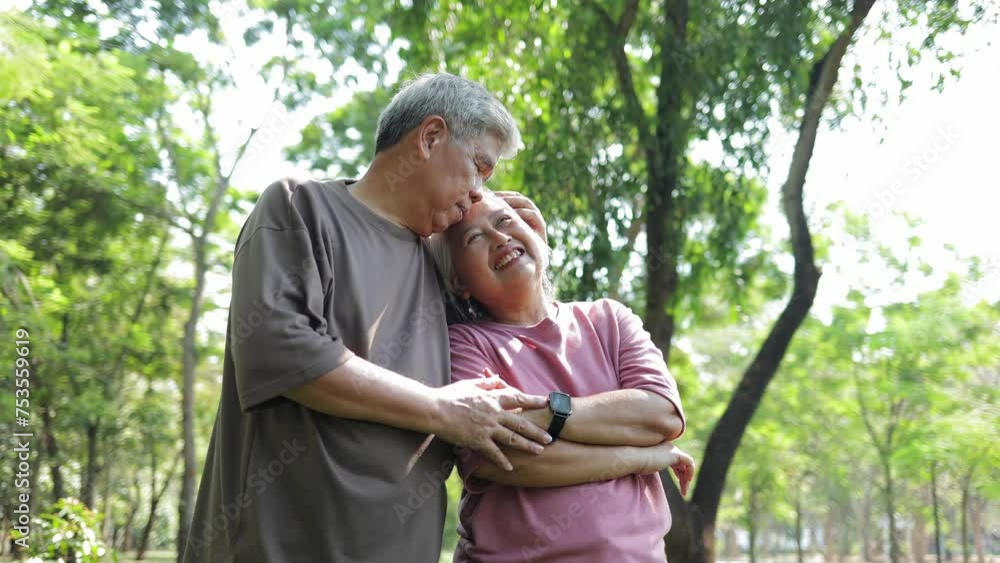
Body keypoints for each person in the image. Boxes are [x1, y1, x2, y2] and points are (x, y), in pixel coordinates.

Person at [182, 73, 557, 563]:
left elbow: (524, 354)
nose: (481, 192)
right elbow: (279, 348)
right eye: (478, 168)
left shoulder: (440, 272)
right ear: (430, 137)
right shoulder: (300, 207)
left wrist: (535, 248)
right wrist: (442, 410)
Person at [428, 192, 695, 563]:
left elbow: (661, 416)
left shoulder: (610, 320)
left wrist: (550, 413)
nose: (500, 238)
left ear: (535, 232)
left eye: (505, 222)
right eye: (475, 237)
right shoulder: (462, 344)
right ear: (459, 280)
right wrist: (643, 458)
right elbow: (506, 458)